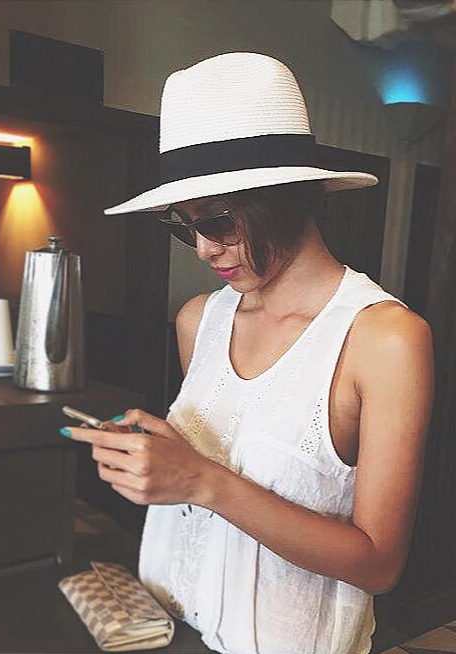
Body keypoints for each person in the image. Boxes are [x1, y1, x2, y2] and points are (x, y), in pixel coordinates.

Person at [61, 53, 434, 654]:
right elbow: (226, 467)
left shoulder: (383, 338)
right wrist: (166, 457)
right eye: (184, 227)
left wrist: (200, 479)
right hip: (163, 628)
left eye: (219, 220)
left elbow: (378, 564)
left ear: (291, 195)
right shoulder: (200, 320)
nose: (204, 250)